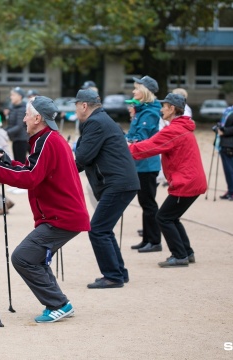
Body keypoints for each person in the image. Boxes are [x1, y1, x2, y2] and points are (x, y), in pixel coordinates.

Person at [0, 96, 90, 323]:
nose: (24, 119)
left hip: (61, 217)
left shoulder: (47, 140)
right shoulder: (46, 139)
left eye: (27, 114)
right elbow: (33, 169)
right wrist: (6, 163)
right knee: (32, 257)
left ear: (38, 118)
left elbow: (31, 177)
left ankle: (58, 304)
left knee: (23, 257)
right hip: (60, 215)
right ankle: (59, 302)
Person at [129, 93, 207, 267]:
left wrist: (126, 150)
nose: (161, 109)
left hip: (186, 182)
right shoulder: (179, 127)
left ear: (172, 109)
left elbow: (150, 146)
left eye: (164, 106)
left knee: (163, 217)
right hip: (190, 180)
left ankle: (179, 255)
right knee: (172, 217)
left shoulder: (174, 130)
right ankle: (186, 252)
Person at [73, 89, 139, 288]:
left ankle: (112, 276)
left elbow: (83, 157)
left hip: (117, 183)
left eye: (76, 105)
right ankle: (119, 272)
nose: (75, 110)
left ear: (84, 106)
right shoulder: (103, 120)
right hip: (120, 182)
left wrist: (63, 171)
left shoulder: (95, 123)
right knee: (104, 229)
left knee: (98, 230)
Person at [126, 76, 162, 253]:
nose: (133, 92)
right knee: (144, 203)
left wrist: (127, 141)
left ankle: (154, 241)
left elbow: (141, 137)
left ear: (145, 91)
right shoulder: (142, 110)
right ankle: (147, 238)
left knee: (148, 204)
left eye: (137, 88)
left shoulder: (150, 112)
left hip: (147, 164)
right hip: (139, 163)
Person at [5, 87, 28, 164]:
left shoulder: (22, 109)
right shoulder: (13, 108)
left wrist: (6, 132)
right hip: (16, 139)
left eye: (13, 95)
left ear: (20, 96)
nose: (11, 97)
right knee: (16, 162)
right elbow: (11, 124)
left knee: (21, 163)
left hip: (21, 140)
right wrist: (2, 130)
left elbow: (19, 126)